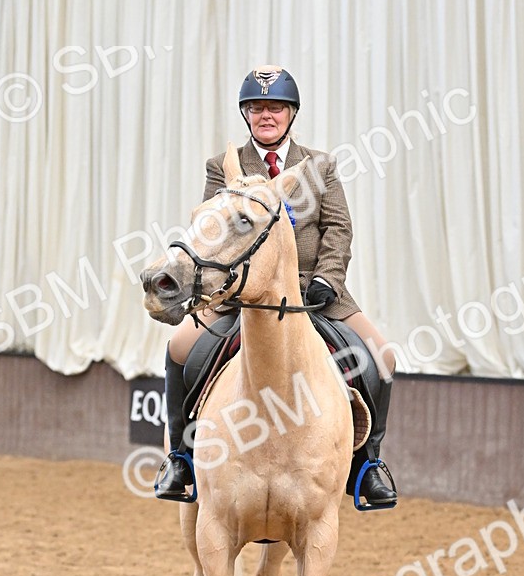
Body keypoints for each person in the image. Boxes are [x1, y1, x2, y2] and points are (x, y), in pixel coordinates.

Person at [155, 65, 397, 507]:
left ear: (291, 113)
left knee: (382, 354)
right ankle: (180, 457)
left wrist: (327, 278)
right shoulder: (223, 167)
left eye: (276, 108)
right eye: (258, 107)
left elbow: (338, 228)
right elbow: (213, 229)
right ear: (247, 113)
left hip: (314, 290)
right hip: (239, 291)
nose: (267, 115)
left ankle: (368, 465)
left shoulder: (320, 165)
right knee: (178, 348)